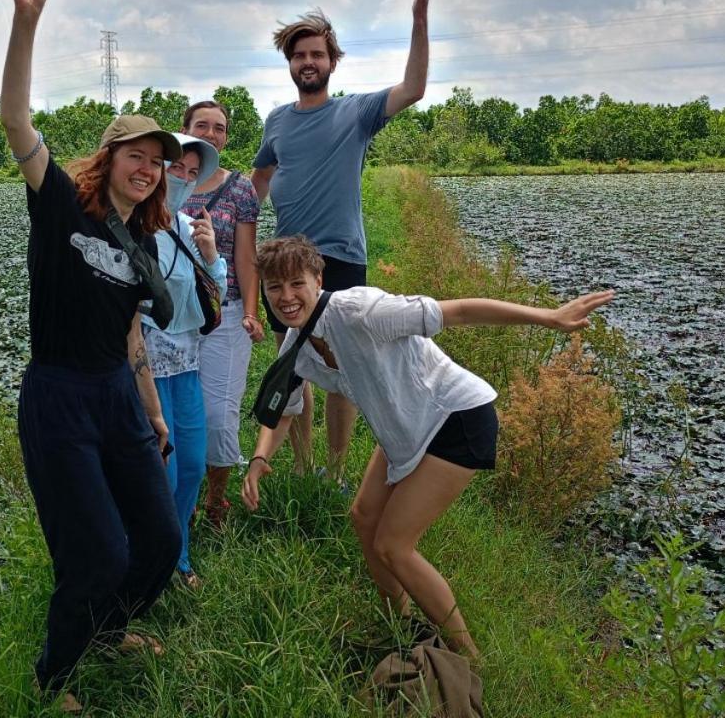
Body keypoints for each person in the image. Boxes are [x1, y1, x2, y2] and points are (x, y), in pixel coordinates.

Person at [241, 235, 614, 660]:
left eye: (296, 284)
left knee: (394, 546)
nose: (286, 297)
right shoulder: (296, 345)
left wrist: (548, 317)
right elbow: (283, 410)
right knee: (364, 517)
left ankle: (467, 657)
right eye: (275, 288)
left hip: (455, 419)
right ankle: (396, 627)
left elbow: (456, 311)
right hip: (408, 429)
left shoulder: (361, 311)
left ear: (318, 279)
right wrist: (258, 459)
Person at [0, 0, 182, 713]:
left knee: (160, 543)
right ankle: (55, 676)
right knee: (97, 553)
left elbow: (132, 336)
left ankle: (109, 630)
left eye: (158, 164)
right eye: (137, 157)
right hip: (59, 398)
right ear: (108, 159)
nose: (148, 169)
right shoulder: (60, 207)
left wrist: (151, 407)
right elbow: (15, 117)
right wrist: (26, 18)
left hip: (114, 396)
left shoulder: (141, 245)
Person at [250, 0, 432, 485]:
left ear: (332, 61)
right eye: (298, 55)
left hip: (340, 259)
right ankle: (305, 467)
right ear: (289, 64)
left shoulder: (355, 112)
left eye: (316, 54)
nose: (307, 62)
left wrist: (419, 20)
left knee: (343, 369)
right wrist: (231, 219)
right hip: (286, 263)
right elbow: (260, 176)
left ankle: (334, 471)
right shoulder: (277, 122)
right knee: (296, 366)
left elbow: (414, 89)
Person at [142, 133, 227, 588]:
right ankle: (153, 563)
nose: (184, 179)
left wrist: (212, 255)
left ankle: (179, 555)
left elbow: (218, 295)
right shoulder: (130, 224)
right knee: (163, 469)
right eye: (177, 168)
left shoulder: (184, 225)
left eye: (193, 173)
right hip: (145, 372)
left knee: (192, 463)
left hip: (186, 363)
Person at [180, 100, 264, 526]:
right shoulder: (167, 180)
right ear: (185, 130)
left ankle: (216, 502)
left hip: (225, 313)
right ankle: (183, 500)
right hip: (171, 320)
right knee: (179, 412)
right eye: (202, 126)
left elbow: (246, 258)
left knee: (219, 414)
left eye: (219, 128)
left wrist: (250, 311)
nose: (211, 134)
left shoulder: (240, 189)